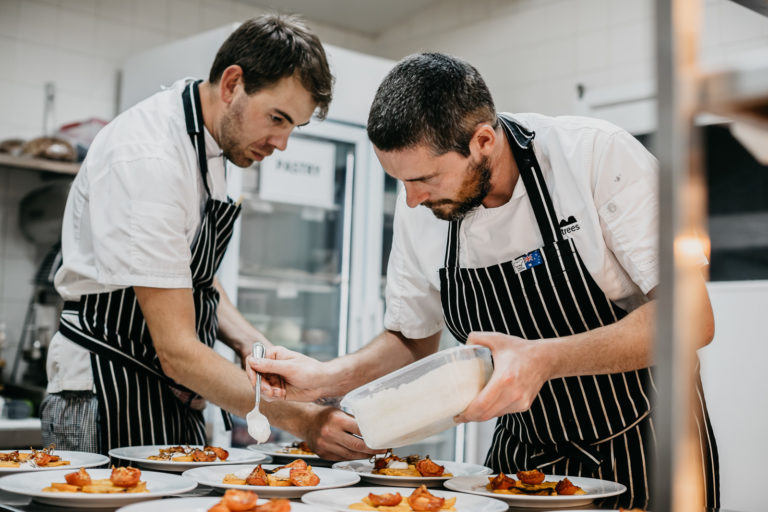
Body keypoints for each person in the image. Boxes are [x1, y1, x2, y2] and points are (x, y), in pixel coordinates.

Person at [248, 52, 720, 509]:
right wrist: (325, 378)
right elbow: (412, 339)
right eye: (401, 182)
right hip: (522, 451)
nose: (412, 201)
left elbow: (691, 319)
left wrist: (542, 360)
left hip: (645, 440)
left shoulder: (595, 156)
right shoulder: (422, 204)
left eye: (425, 179)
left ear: (483, 143)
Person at [41, 14, 380, 462]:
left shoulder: (211, 142)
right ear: (231, 84)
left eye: (292, 127)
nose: (281, 144)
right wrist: (304, 419)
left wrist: (251, 343)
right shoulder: (151, 157)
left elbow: (188, 272)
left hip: (167, 390)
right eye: (276, 118)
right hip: (106, 391)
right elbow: (178, 351)